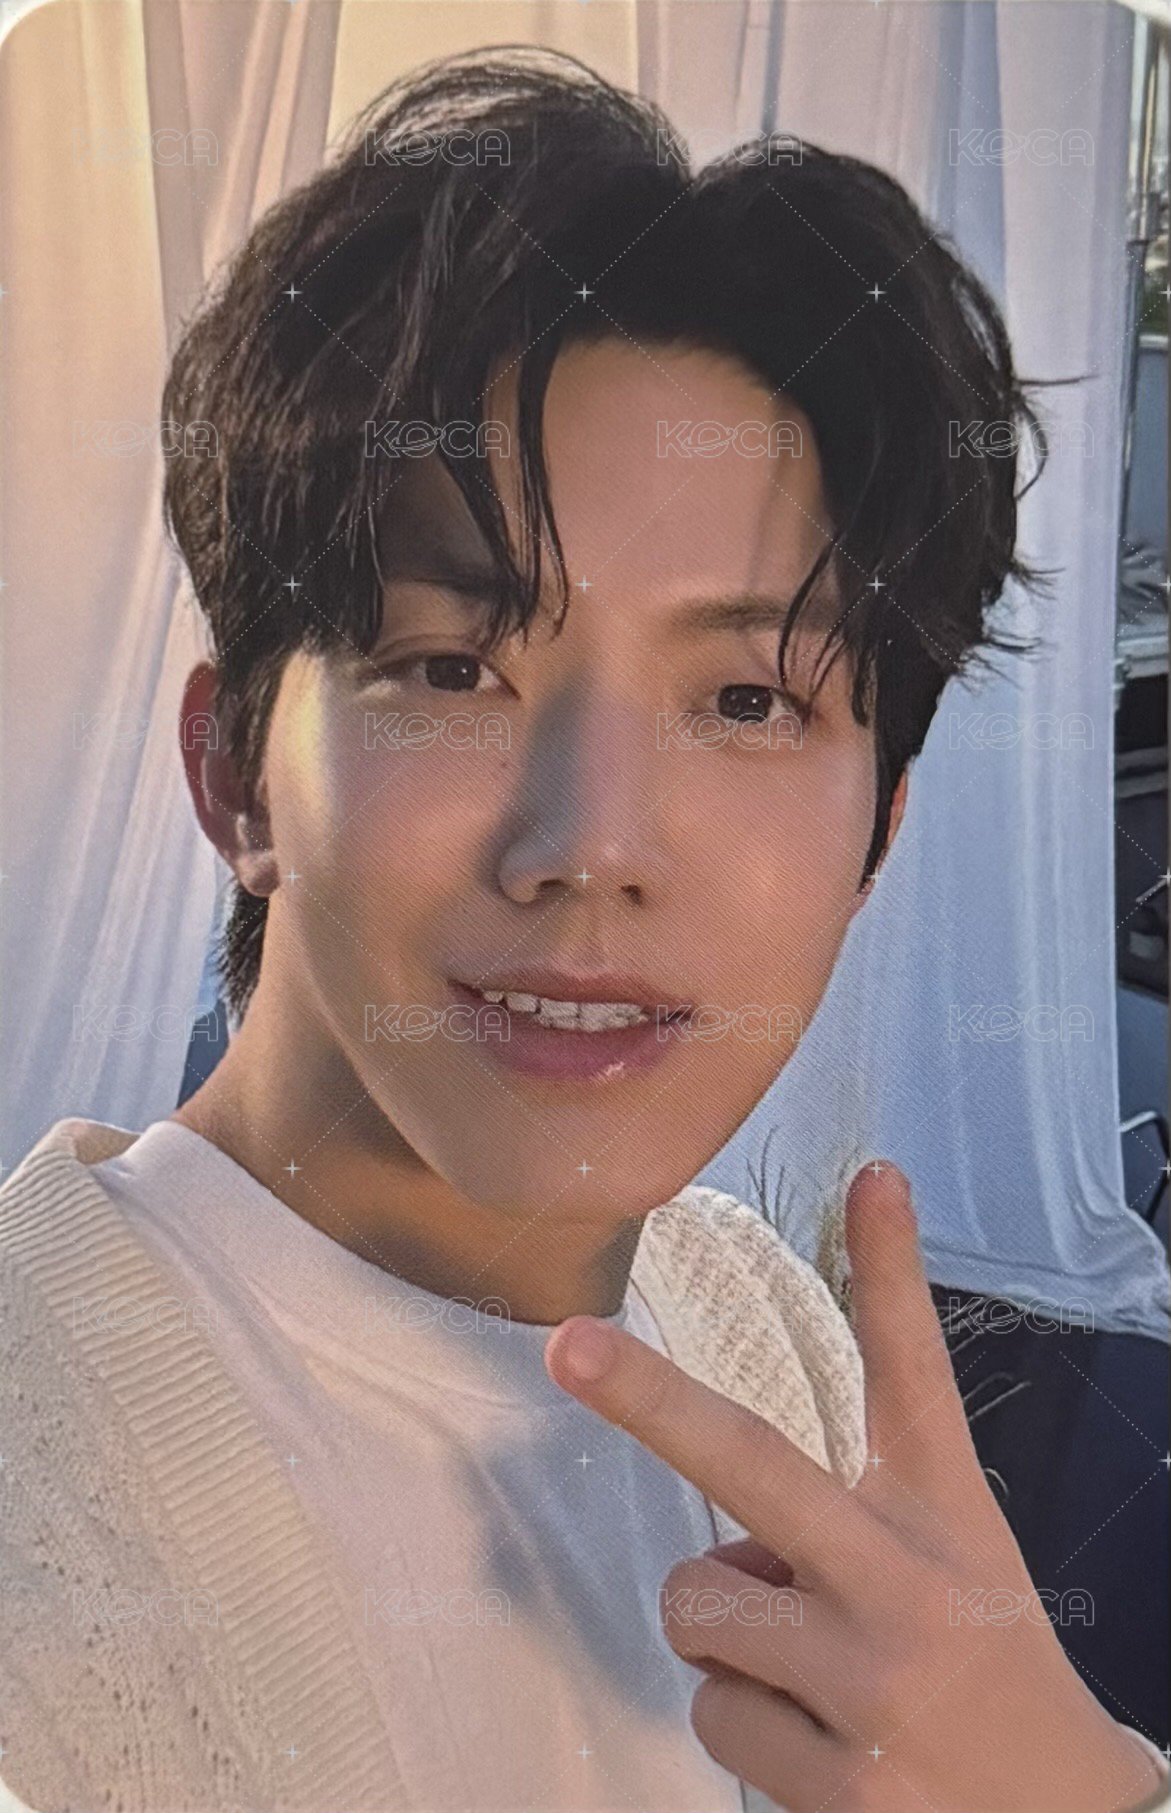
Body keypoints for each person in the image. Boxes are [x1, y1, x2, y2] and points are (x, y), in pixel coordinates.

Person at [1, 44, 1167, 1813]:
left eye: (751, 701)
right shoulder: (44, 1510)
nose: (594, 845)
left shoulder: (758, 1320)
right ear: (237, 772)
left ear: (878, 835)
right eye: (451, 668)